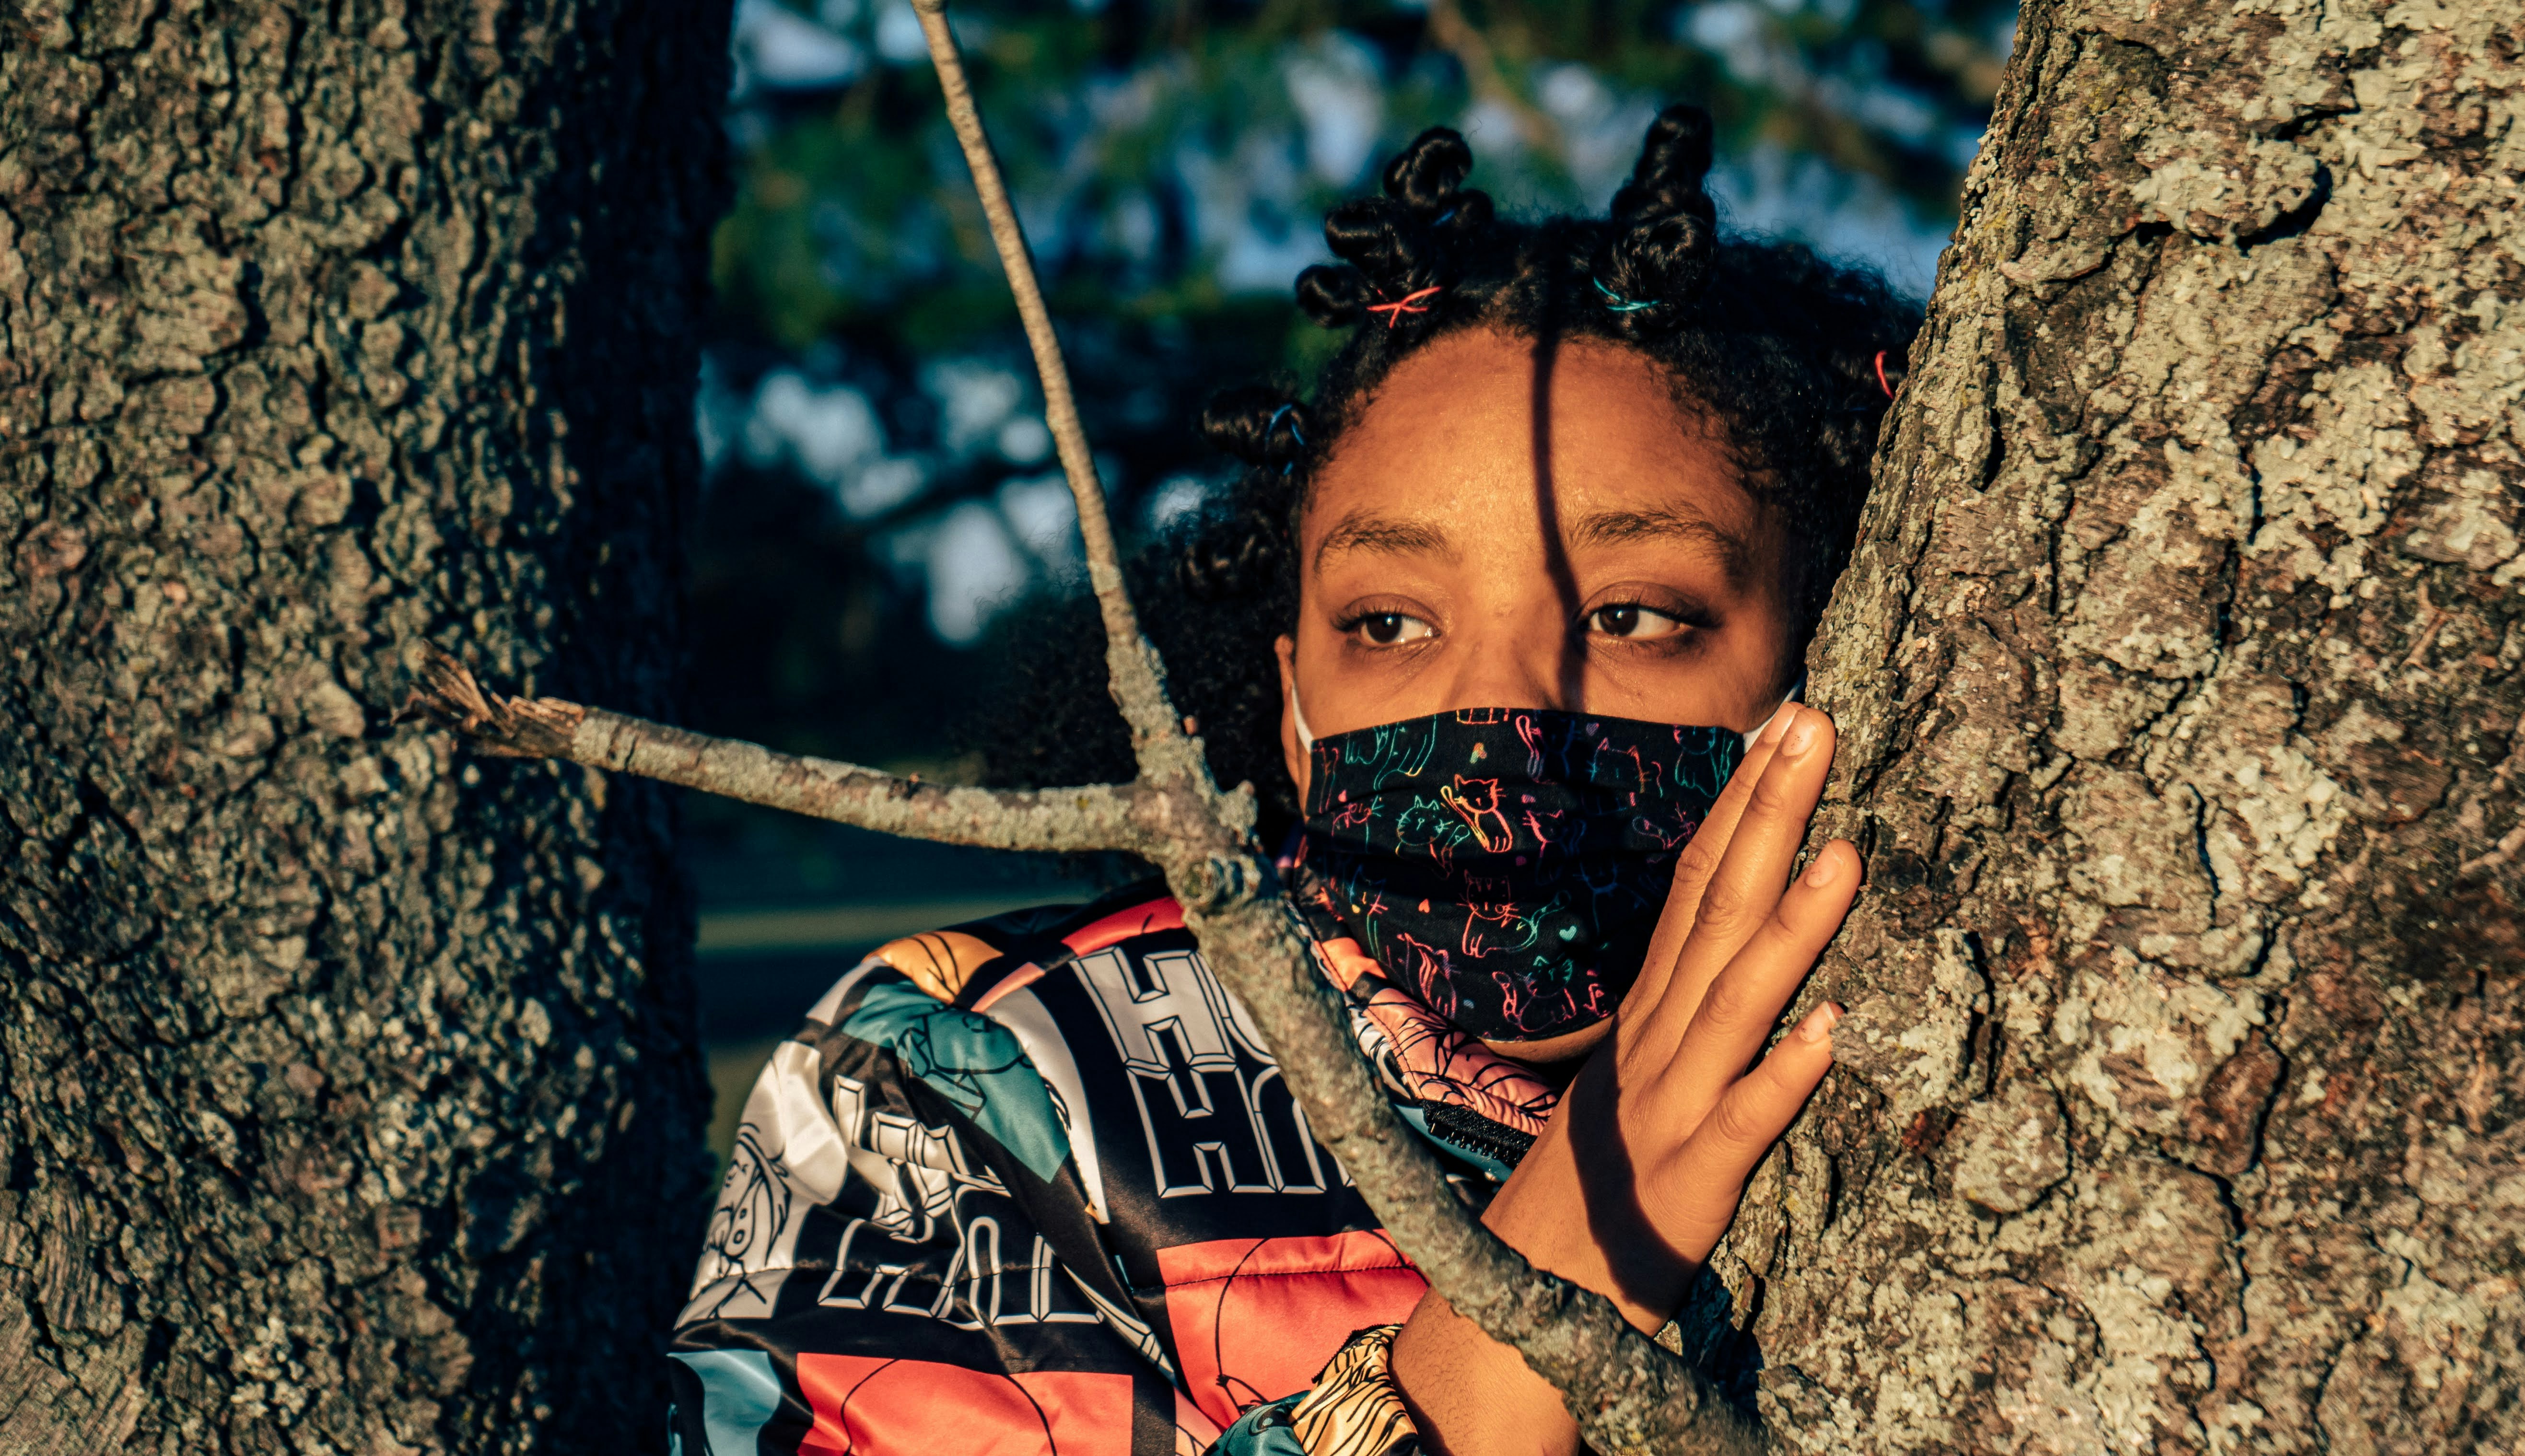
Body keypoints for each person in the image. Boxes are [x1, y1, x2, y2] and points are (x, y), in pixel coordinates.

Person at [666, 105, 1919, 1456]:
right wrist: (1520, 1320)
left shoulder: (1940, 1049)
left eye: (1631, 616)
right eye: (1388, 625)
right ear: (1291, 707)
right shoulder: (978, 1076)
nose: (1491, 714)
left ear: (1844, 647)